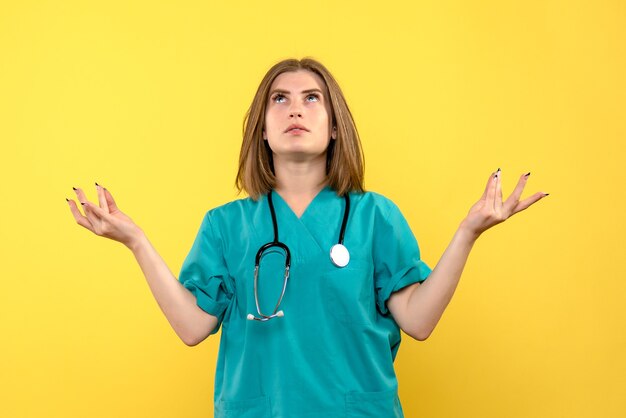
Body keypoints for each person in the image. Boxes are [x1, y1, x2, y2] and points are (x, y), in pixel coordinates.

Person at [67, 57, 548, 418]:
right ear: (262, 129)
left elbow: (418, 321)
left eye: (311, 98)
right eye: (280, 99)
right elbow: (193, 327)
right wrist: (136, 241)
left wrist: (468, 232)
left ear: (336, 126)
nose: (295, 109)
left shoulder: (375, 216)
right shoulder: (225, 225)